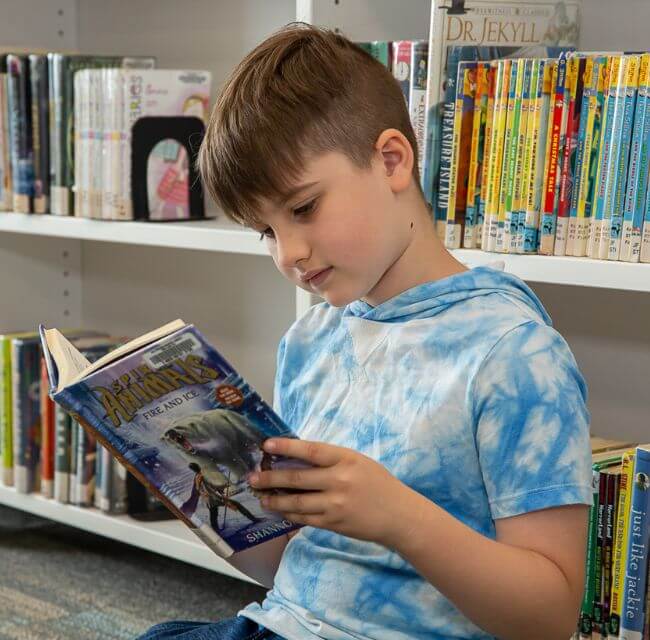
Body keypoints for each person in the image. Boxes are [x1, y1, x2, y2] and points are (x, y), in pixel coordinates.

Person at [137, 23, 592, 640]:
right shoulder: (309, 342)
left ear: (391, 160)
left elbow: (550, 616)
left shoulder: (512, 353)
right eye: (265, 232)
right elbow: (290, 570)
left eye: (302, 208)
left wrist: (399, 517)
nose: (289, 254)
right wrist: (203, 503)